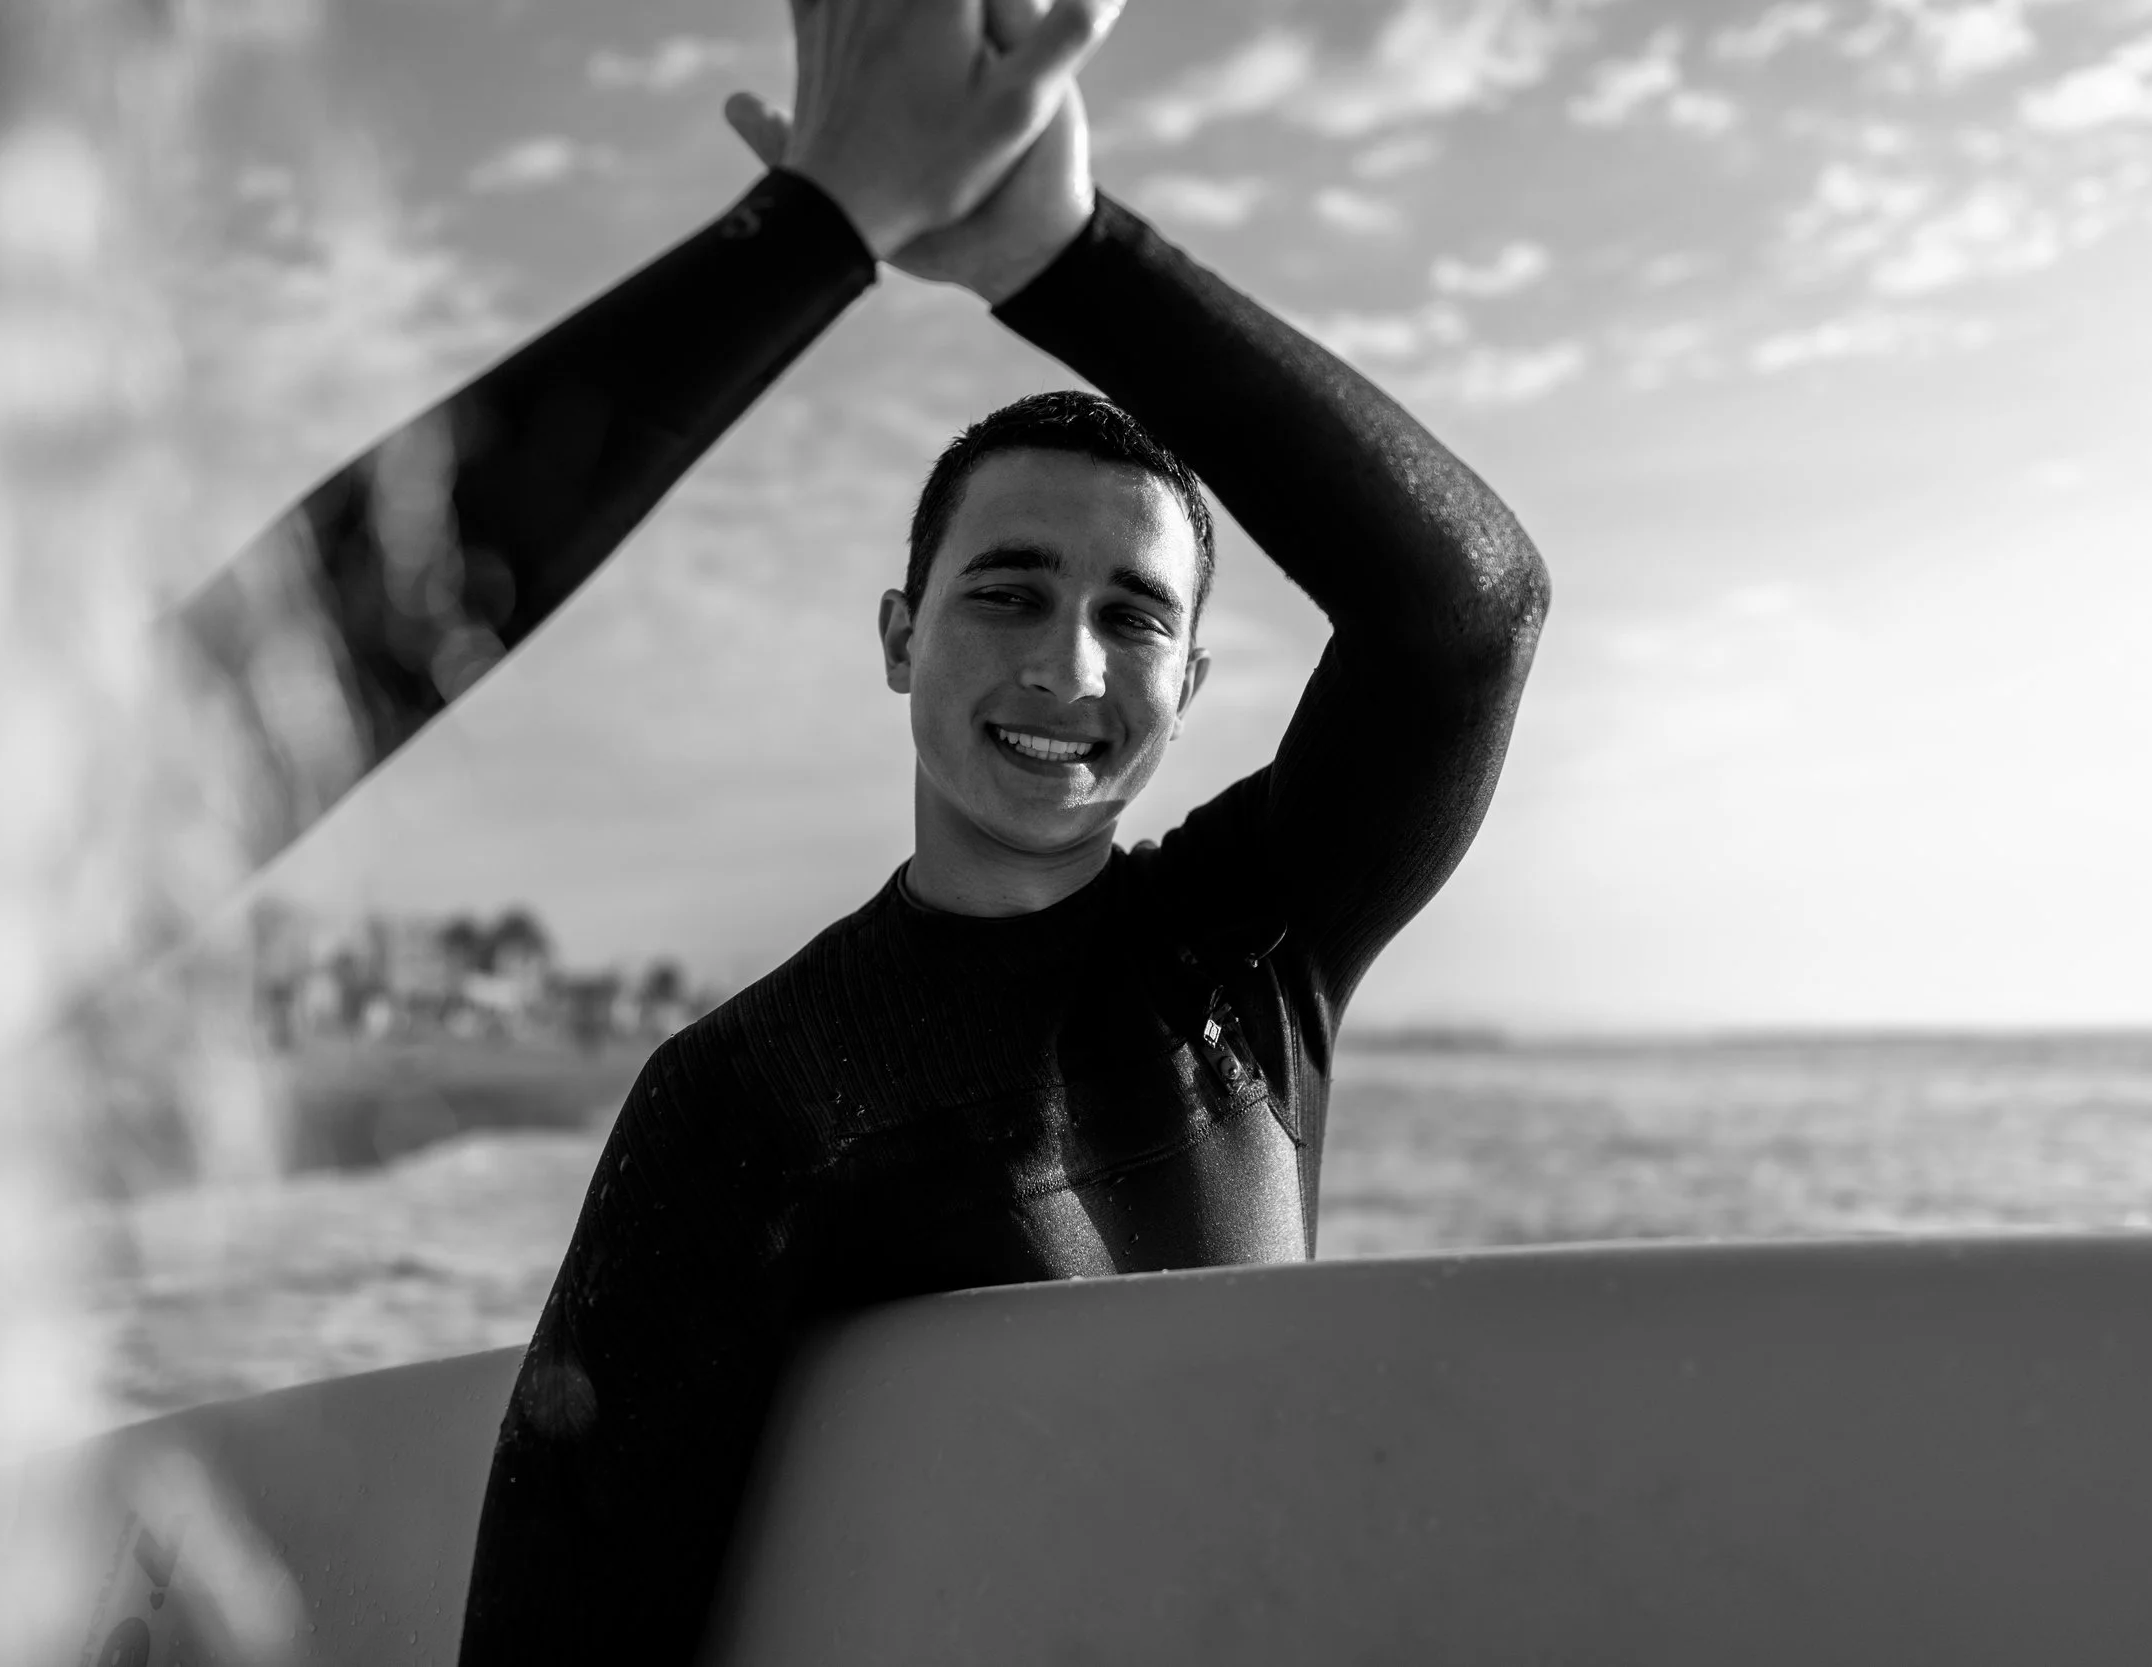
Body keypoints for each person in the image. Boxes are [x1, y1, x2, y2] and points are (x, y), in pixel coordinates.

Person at [449, 0, 1549, 1658]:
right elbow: (566, 1628)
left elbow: (1472, 614)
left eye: (1135, 615)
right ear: (900, 635)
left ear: (1192, 681)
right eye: (1008, 593)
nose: (1069, 665)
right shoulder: (749, 1093)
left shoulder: (1248, 946)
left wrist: (1068, 255)